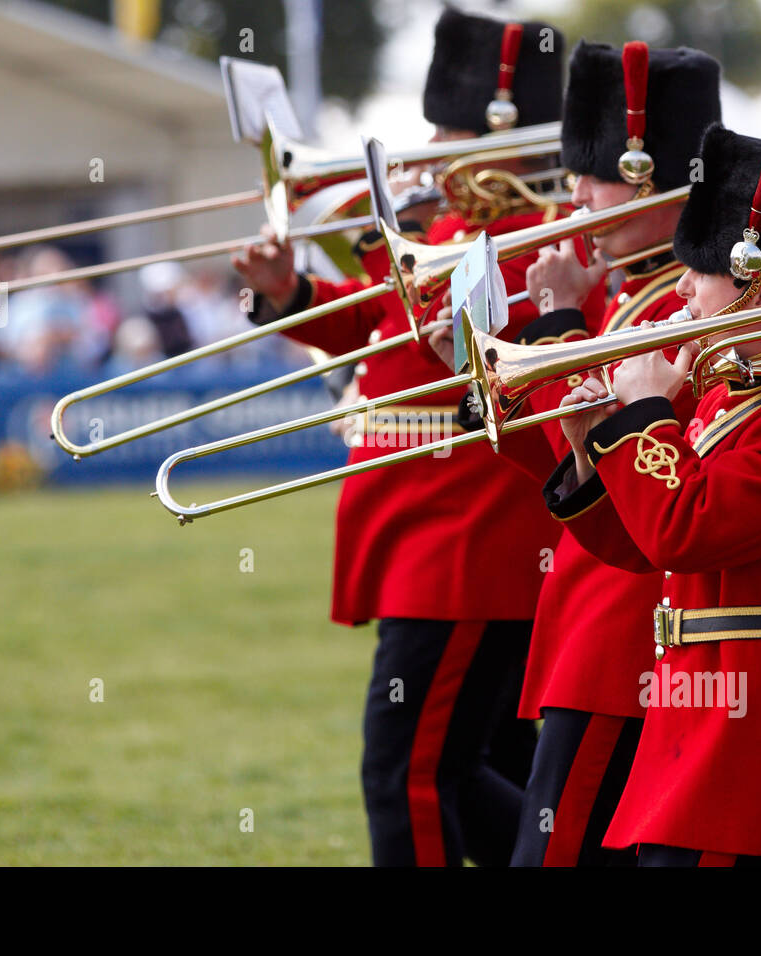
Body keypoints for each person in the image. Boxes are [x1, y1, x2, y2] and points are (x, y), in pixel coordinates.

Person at [231, 6, 579, 867]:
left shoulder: (538, 236)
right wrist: (290, 294)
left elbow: (527, 373)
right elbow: (381, 332)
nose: (431, 143)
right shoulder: (450, 230)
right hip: (424, 528)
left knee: (407, 774)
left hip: (466, 536)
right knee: (474, 764)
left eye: (450, 127)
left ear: (506, 129)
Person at [544, 124, 761, 866]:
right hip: (694, 708)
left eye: (699, 273)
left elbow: (685, 531)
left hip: (752, 728)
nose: (680, 290)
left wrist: (643, 418)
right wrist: (589, 443)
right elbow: (642, 550)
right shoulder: (731, 394)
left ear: (756, 291)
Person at [490, 41, 721, 867]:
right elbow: (559, 465)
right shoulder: (628, 293)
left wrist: (555, 324)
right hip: (589, 621)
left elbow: (608, 445)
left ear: (649, 171)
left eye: (593, 174)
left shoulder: (682, 306)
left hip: (621, 628)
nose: (576, 197)